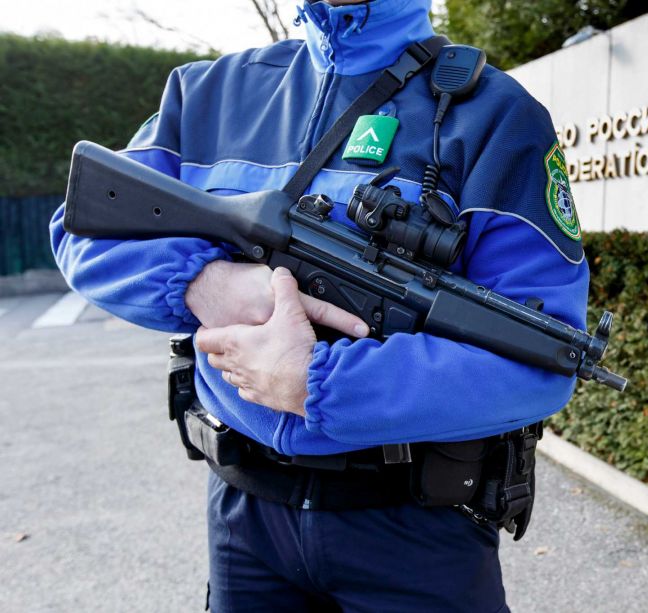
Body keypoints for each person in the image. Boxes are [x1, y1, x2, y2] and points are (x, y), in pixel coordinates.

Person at [50, 0, 588, 610]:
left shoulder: (496, 115)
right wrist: (203, 282)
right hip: (243, 516)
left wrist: (313, 386)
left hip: (416, 532)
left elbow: (544, 359)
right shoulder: (205, 94)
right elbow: (84, 226)